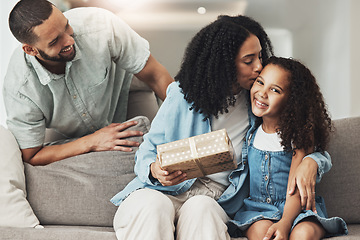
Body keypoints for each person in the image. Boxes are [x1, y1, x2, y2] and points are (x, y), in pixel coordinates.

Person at [110, 15, 332, 240]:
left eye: (260, 56)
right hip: (163, 191)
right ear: (225, 63)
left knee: (201, 210)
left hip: (215, 197)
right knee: (152, 206)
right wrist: (154, 171)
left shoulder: (259, 102)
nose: (259, 67)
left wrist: (312, 161)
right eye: (248, 60)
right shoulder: (181, 95)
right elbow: (147, 150)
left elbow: (301, 134)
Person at [3, 0, 174, 166]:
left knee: (158, 151)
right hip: (64, 129)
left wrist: (187, 119)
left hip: (125, 93)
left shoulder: (101, 26)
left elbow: (155, 75)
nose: (69, 40)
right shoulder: (20, 89)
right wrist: (91, 142)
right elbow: (31, 155)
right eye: (55, 41)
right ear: (30, 50)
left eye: (66, 26)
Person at [227, 56, 348, 239]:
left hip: (297, 210)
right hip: (258, 210)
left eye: (275, 90)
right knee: (262, 233)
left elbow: (295, 187)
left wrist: (285, 222)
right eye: (260, 82)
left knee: (303, 233)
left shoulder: (299, 136)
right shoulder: (250, 132)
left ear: (292, 101)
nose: (262, 93)